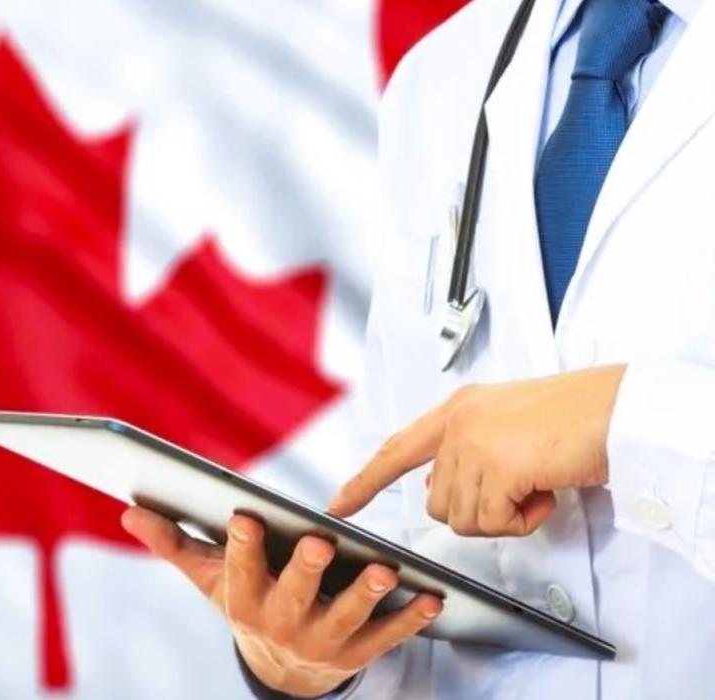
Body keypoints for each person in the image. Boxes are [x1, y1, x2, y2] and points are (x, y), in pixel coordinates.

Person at [122, 0, 715, 696]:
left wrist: (622, 423)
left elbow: (611, 428)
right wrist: (320, 661)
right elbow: (416, 534)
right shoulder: (446, 76)